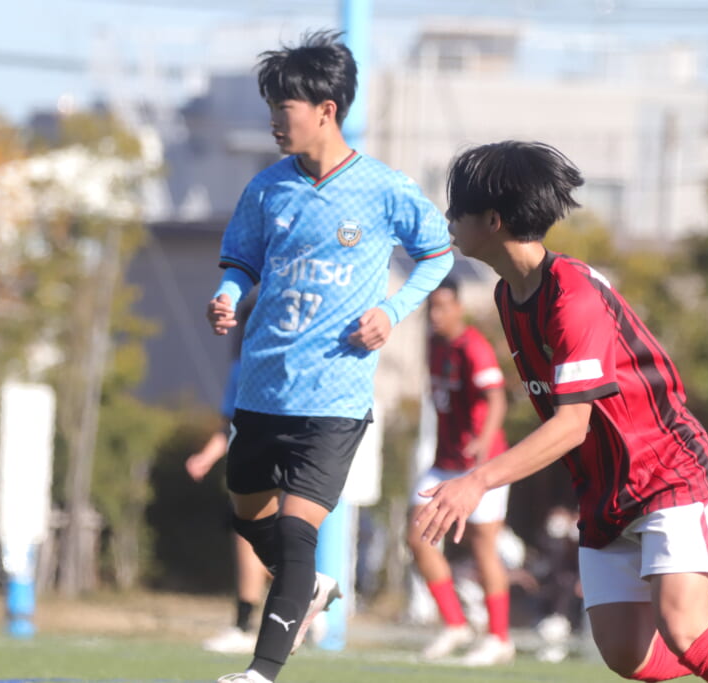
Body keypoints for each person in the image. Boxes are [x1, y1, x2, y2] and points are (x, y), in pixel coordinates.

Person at [415, 140, 708, 681]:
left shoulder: (573, 295)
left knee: (684, 632)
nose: (448, 219)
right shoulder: (508, 295)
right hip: (603, 488)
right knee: (629, 657)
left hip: (664, 470)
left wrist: (478, 481)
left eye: (457, 208)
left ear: (492, 220)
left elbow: (571, 424)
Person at [206, 30, 454, 683]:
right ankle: (309, 586)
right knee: (247, 510)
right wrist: (227, 296)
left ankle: (261, 671)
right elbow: (240, 262)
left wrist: (393, 311)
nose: (273, 120)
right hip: (263, 384)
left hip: (335, 397)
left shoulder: (383, 188)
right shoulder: (267, 189)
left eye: (282, 107)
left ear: (326, 109)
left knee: (296, 532)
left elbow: (438, 255)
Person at [405, 278, 513, 663]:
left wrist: (483, 440)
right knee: (418, 538)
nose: (435, 315)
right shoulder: (434, 344)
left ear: (458, 309)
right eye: (430, 307)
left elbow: (497, 398)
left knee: (483, 546)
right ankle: (455, 624)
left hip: (482, 466)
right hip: (444, 464)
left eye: (442, 307)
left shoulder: (473, 347)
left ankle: (499, 638)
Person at [186, 296, 271, 655]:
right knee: (263, 541)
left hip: (278, 461)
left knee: (261, 539)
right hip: (263, 461)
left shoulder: (262, 365)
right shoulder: (244, 368)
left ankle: (249, 623)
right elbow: (230, 426)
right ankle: (292, 605)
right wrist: (205, 458)